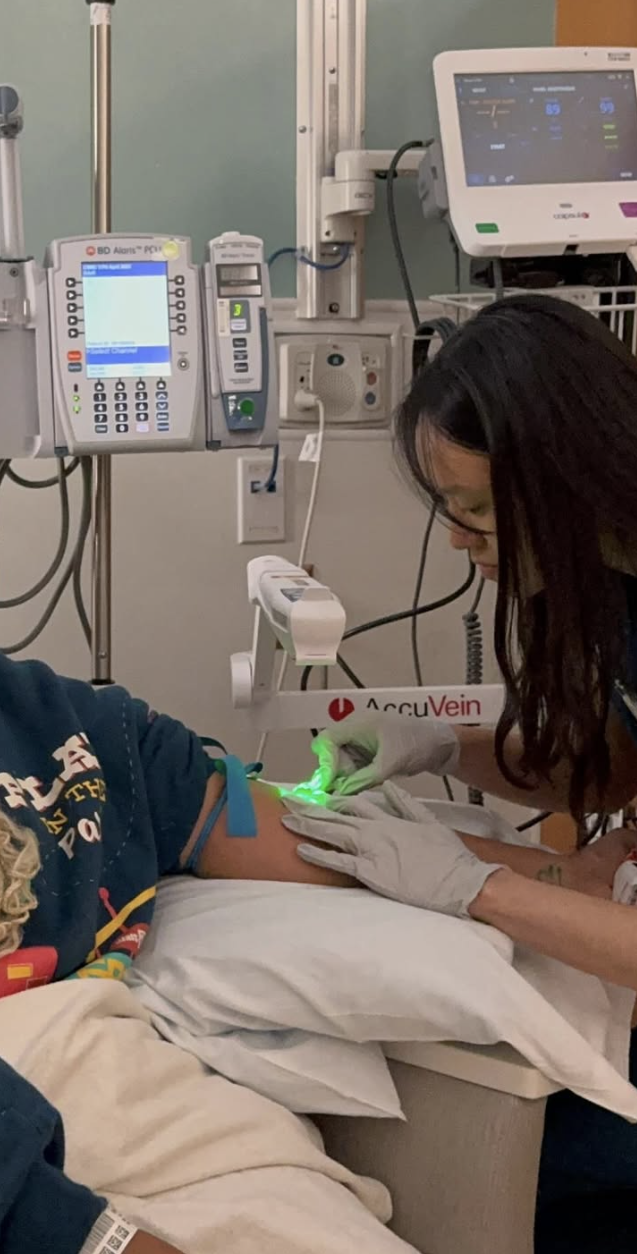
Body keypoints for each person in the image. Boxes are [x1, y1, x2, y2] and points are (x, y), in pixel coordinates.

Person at [0, 334, 621, 1254]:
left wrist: (533, 875)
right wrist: (94, 1239)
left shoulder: (53, 719)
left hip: (96, 1102)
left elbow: (267, 827)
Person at [293, 293, 637, 1252]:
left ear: (571, 476)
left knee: (519, 1153)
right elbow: (611, 766)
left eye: (478, 510)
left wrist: (473, 886)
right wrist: (442, 745)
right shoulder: (616, 577)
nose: (458, 539)